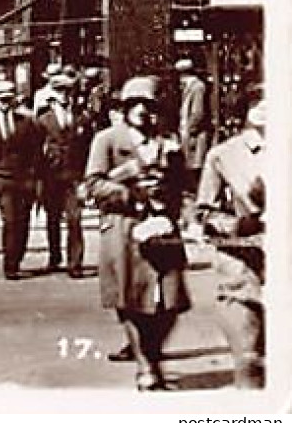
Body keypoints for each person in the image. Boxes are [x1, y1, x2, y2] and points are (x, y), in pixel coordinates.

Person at [84, 76, 191, 391]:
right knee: (130, 300)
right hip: (123, 228)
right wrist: (131, 193)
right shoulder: (107, 140)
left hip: (162, 227)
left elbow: (182, 186)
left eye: (150, 105)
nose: (143, 111)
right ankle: (146, 369)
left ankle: (153, 357)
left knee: (171, 302)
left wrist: (180, 207)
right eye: (136, 105)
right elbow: (92, 185)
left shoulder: (167, 141)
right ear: (126, 108)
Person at [193, 96, 265, 389]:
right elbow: (204, 212)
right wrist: (238, 225)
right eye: (260, 102)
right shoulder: (224, 155)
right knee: (250, 359)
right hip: (245, 264)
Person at [0, 80, 43, 280]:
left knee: (23, 222)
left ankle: (18, 254)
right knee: (10, 220)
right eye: (1, 100)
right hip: (3, 180)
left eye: (8, 100)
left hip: (24, 179)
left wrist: (33, 175)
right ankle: (10, 264)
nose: (5, 104)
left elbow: (34, 151)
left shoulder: (25, 123)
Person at [34, 80, 89, 277]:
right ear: (52, 97)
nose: (64, 96)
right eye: (60, 92)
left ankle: (75, 263)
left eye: (67, 91)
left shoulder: (81, 118)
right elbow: (36, 152)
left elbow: (86, 149)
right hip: (51, 175)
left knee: (75, 219)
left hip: (73, 175)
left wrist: (86, 178)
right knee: (53, 218)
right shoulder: (43, 120)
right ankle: (54, 256)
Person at [175, 58, 212, 194]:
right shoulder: (191, 87)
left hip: (195, 137)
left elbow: (197, 113)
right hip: (189, 134)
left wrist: (189, 131)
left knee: (196, 168)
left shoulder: (197, 87)